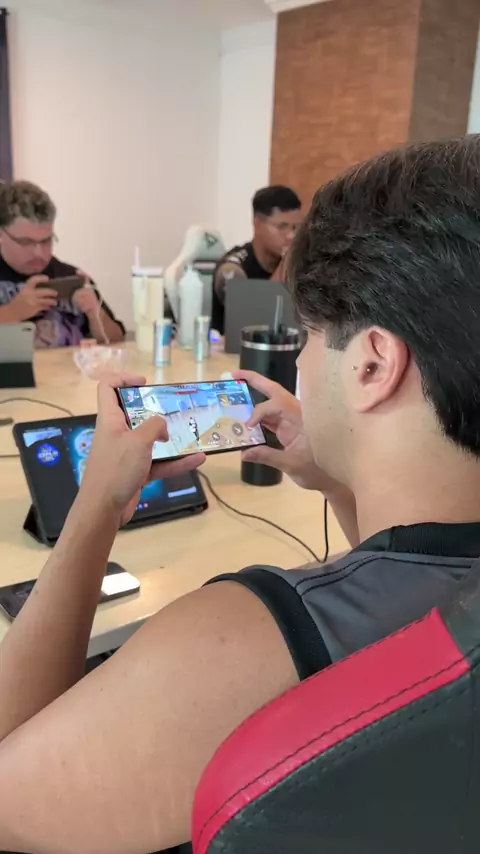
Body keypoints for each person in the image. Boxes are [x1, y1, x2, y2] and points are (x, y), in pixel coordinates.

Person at [1, 137, 480, 853]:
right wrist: (334, 475)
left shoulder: (233, 640)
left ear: (373, 364)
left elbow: (7, 789)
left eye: (310, 335)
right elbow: (401, 581)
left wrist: (93, 506)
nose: (302, 358)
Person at [0, 180, 125, 347]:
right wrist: (13, 312)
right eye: (26, 242)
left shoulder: (69, 276)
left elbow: (118, 343)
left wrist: (95, 313)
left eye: (46, 241)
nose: (39, 253)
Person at [211, 185, 302, 334]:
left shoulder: (296, 264)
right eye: (282, 227)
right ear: (257, 223)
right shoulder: (232, 268)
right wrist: (286, 264)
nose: (291, 236)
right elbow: (252, 322)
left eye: (295, 227)